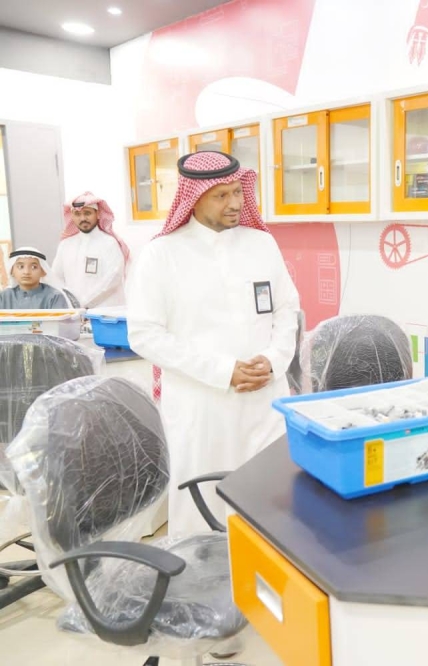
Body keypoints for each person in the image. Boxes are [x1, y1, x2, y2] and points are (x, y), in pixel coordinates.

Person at [127, 151, 300, 536]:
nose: (235, 203)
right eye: (221, 195)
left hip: (265, 400)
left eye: (237, 191)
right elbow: (144, 334)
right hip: (202, 405)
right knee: (203, 504)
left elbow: (287, 308)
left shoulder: (261, 243)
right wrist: (223, 371)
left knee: (271, 500)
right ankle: (201, 571)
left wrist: (274, 359)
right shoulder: (162, 254)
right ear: (193, 198)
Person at [50, 192, 130, 308]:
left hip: (104, 311)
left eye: (87, 213)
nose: (83, 218)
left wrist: (84, 303)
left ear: (97, 214)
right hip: (74, 311)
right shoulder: (65, 245)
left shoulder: (109, 243)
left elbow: (113, 278)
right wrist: (70, 302)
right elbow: (56, 278)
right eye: (77, 214)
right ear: (72, 216)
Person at [0, 247, 70, 309]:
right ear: (11, 271)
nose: (26, 272)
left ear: (43, 271)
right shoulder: (3, 297)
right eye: (21, 267)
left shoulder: (55, 297)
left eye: (34, 267)